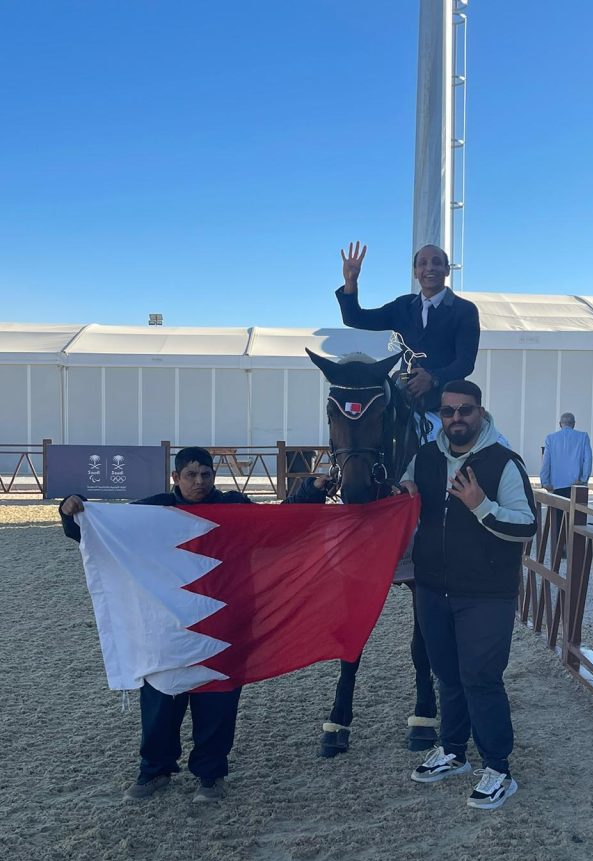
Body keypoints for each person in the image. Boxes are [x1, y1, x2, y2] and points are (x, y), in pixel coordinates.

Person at [60, 446, 334, 804]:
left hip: (224, 621)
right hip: (166, 626)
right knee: (161, 699)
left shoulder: (233, 508)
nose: (199, 481)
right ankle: (154, 770)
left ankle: (210, 774)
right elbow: (99, 532)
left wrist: (311, 492)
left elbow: (279, 525)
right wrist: (72, 509)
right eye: (190, 475)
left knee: (217, 702)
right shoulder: (153, 510)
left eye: (205, 474)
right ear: (176, 477)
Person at [400, 380, 537, 810]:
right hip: (432, 588)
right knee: (447, 674)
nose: (456, 418)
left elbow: (526, 526)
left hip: (486, 593)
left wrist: (480, 505)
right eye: (448, 411)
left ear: (481, 412)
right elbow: (405, 501)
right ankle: (454, 751)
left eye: (465, 410)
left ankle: (498, 767)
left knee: (481, 677)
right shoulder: (423, 458)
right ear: (439, 415)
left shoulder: (503, 462)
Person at [335, 241, 480, 412]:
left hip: (446, 408)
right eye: (422, 263)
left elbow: (465, 363)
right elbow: (354, 318)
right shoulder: (402, 306)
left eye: (436, 262)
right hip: (405, 404)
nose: (429, 268)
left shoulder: (464, 310)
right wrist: (350, 281)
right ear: (415, 272)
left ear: (447, 269)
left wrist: (433, 378)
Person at [540, 412, 592, 542]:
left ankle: (559, 545)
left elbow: (546, 461)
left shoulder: (551, 438)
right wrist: (584, 479)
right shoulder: (583, 436)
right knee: (576, 517)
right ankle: (574, 544)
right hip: (576, 484)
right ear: (574, 424)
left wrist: (545, 481)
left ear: (560, 424)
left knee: (557, 517)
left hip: (557, 484)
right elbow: (588, 459)